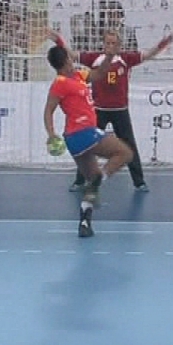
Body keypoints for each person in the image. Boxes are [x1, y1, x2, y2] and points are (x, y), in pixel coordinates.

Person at [49, 28, 173, 192]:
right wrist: (58, 41)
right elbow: (72, 55)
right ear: (103, 44)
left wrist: (162, 44)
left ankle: (139, 182)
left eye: (113, 43)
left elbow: (148, 55)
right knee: (87, 147)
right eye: (107, 43)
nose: (110, 46)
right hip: (99, 110)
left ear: (119, 45)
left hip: (120, 110)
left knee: (129, 146)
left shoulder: (126, 59)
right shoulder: (95, 58)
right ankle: (80, 180)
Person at [44, 42, 134, 238]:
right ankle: (99, 180)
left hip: (74, 140)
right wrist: (51, 134)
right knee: (125, 153)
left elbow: (99, 74)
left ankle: (85, 223)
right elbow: (48, 111)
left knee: (93, 181)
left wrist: (109, 56)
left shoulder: (78, 75)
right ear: (66, 60)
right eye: (69, 57)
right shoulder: (60, 83)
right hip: (83, 132)